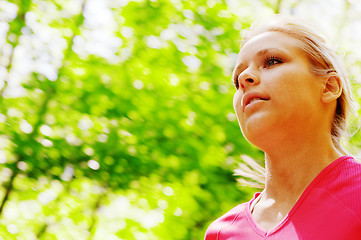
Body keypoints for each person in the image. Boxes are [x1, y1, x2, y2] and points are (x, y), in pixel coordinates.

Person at [204, 15, 361, 240]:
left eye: (272, 61)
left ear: (329, 86)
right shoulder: (222, 233)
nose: (244, 78)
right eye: (237, 78)